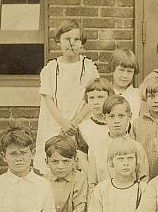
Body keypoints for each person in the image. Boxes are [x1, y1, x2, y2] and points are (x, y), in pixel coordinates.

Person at [34, 19, 99, 174]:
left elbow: (92, 98)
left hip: (80, 121)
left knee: (79, 164)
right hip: (55, 121)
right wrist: (63, 123)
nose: (72, 44)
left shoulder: (88, 67)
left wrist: (75, 123)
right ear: (58, 42)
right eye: (67, 39)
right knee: (54, 162)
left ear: (82, 43)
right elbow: (48, 98)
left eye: (76, 40)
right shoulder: (51, 69)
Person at [87, 95, 150, 199]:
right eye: (111, 116)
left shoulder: (137, 147)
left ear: (129, 116)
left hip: (130, 201)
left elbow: (144, 180)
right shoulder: (95, 149)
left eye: (121, 116)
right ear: (104, 118)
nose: (116, 121)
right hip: (104, 202)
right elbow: (92, 184)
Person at [75, 78, 114, 170]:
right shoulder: (83, 128)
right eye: (91, 98)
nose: (96, 102)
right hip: (93, 174)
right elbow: (82, 158)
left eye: (100, 97)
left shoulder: (118, 124)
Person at [109, 48, 142, 120]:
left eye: (129, 71)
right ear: (112, 70)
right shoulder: (104, 93)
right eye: (121, 70)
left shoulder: (138, 95)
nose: (125, 76)